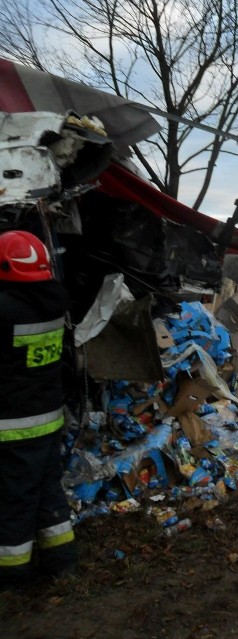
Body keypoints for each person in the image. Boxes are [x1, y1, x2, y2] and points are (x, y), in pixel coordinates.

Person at [0, 230, 76, 590]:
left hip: (13, 427)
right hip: (48, 419)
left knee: (15, 500)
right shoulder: (55, 301)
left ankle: (12, 575)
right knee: (49, 493)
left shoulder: (6, 310)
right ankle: (62, 562)